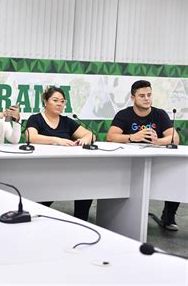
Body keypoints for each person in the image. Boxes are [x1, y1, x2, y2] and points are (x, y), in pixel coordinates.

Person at [107, 80, 180, 231]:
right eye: (142, 96)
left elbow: (175, 138)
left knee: (176, 177)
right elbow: (111, 136)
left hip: (157, 161)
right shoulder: (124, 114)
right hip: (129, 163)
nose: (147, 98)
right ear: (133, 98)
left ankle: (168, 216)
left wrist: (158, 141)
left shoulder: (159, 114)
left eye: (149, 95)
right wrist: (132, 137)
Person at [25, 86, 94, 221]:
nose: (59, 104)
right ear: (45, 101)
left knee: (85, 188)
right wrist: (57, 140)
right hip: (42, 170)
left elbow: (90, 134)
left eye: (62, 101)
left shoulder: (67, 121)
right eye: (55, 100)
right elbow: (30, 137)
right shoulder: (36, 119)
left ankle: (81, 221)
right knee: (41, 204)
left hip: (67, 168)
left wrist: (84, 140)